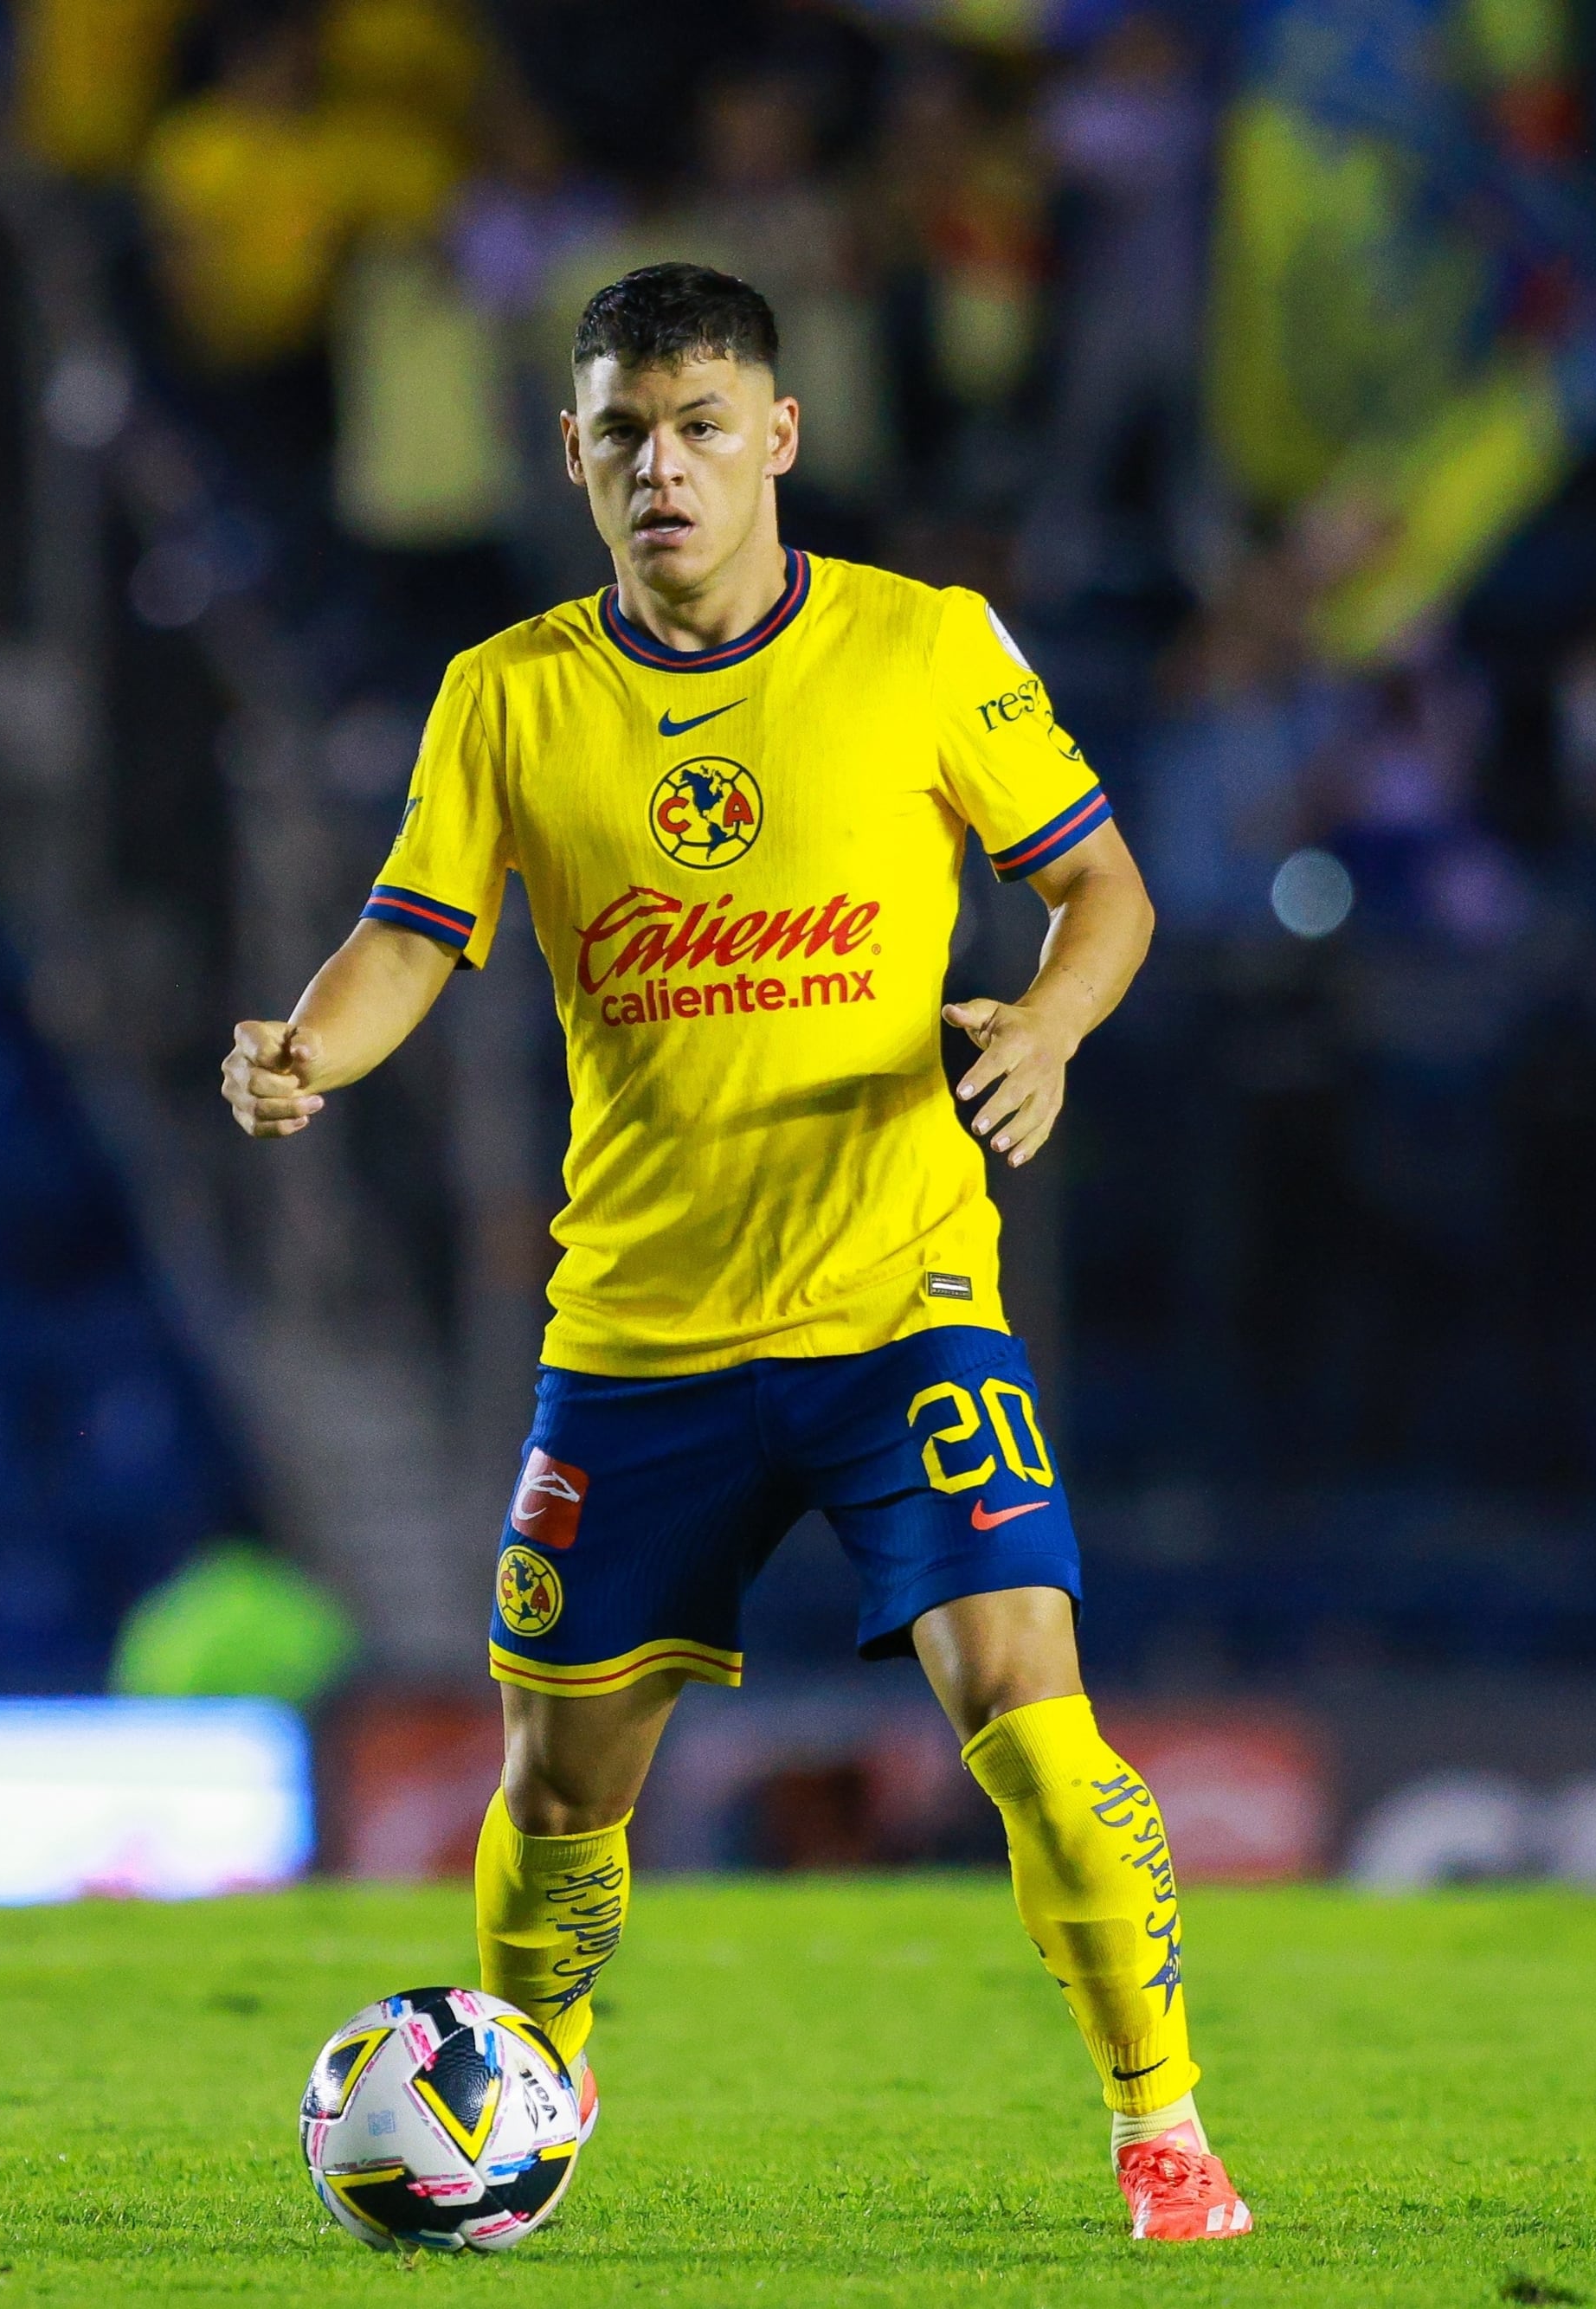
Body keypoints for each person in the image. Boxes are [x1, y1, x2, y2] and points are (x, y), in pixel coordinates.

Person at [219, 263, 1245, 2242]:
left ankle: (1163, 2127)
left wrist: (1043, 1023)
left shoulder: (923, 647)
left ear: (779, 435)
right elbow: (415, 930)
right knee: (557, 1789)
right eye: (621, 434)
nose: (660, 468)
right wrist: (305, 1051)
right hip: (638, 1335)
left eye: (699, 426)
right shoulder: (506, 692)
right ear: (574, 454)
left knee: (1034, 1719)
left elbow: (1099, 885)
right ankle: (516, 2088)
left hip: (899, 1310)